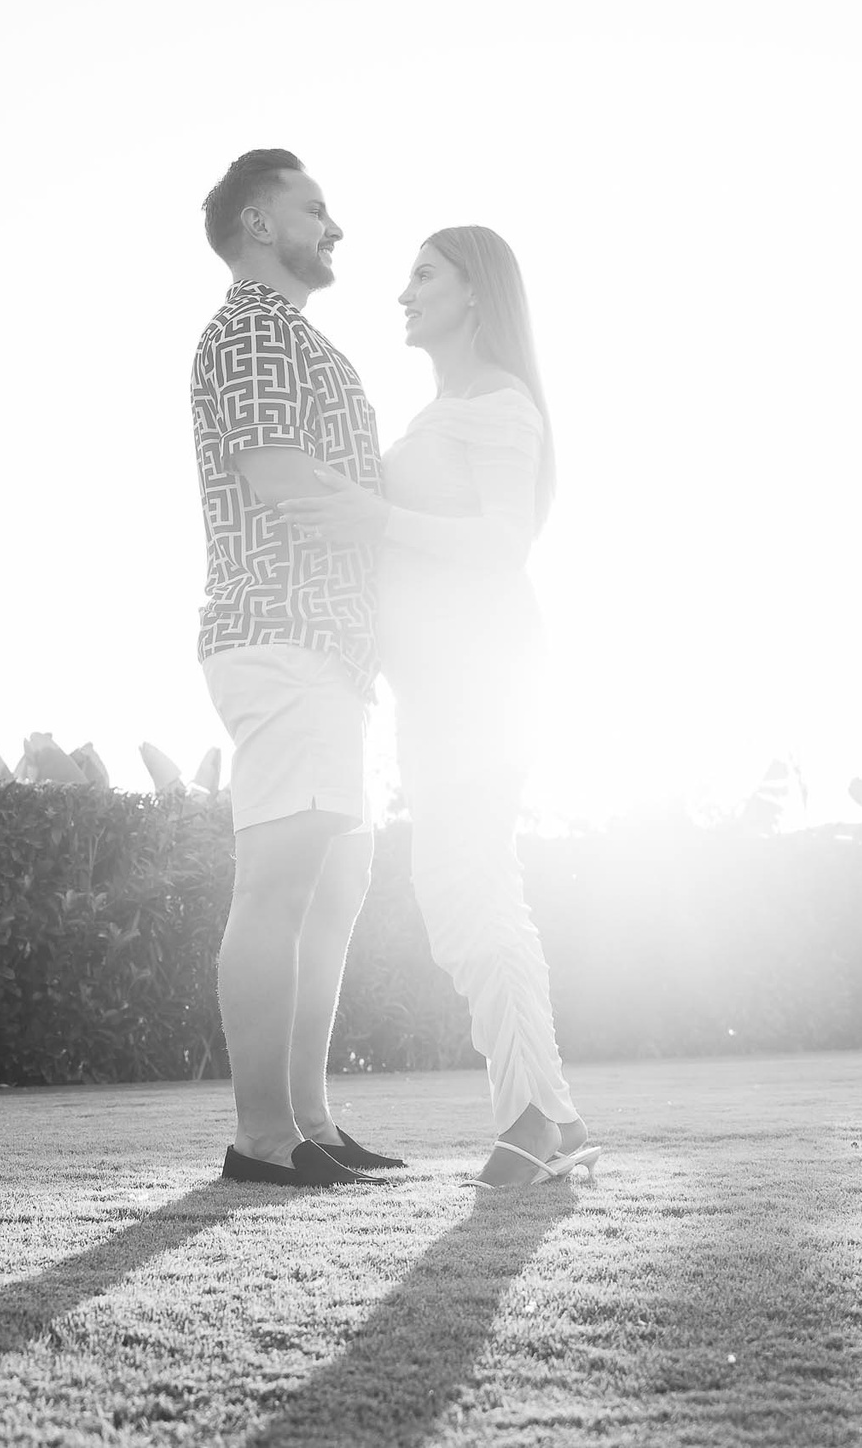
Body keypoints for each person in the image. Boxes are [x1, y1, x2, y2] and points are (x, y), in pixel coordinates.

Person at [279, 226, 599, 1189]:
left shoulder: (500, 405)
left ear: (476, 293)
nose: (404, 291)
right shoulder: (444, 411)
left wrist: (372, 514)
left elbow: (503, 543)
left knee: (471, 887)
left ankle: (538, 1118)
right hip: (437, 685)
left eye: (425, 274)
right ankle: (553, 1113)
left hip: (484, 677)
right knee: (464, 891)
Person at [190, 148, 403, 1188]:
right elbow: (279, 480)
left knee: (333, 882)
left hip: (329, 651)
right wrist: (401, 535)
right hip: (278, 635)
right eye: (314, 209)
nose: (335, 227)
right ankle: (261, 1139)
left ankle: (308, 1120)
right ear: (259, 222)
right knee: (280, 880)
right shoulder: (250, 331)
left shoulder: (297, 337)